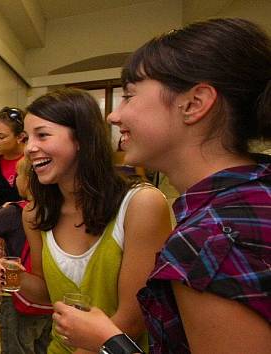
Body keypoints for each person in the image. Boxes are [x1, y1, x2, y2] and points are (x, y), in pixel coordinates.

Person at [51, 18, 271, 354]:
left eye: (129, 96)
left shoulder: (209, 240)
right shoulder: (252, 193)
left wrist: (107, 341)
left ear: (195, 103)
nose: (113, 116)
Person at [0, 88, 172, 354]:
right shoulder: (35, 214)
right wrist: (13, 277)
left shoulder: (140, 205)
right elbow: (46, 293)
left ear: (81, 139)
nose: (29, 149)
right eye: (27, 138)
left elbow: (134, 319)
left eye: (42, 135)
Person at [0, 155, 53, 354]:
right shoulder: (56, 211)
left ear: (29, 179)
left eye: (18, 174)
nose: (14, 179)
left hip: (19, 298)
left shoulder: (15, 212)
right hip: (49, 303)